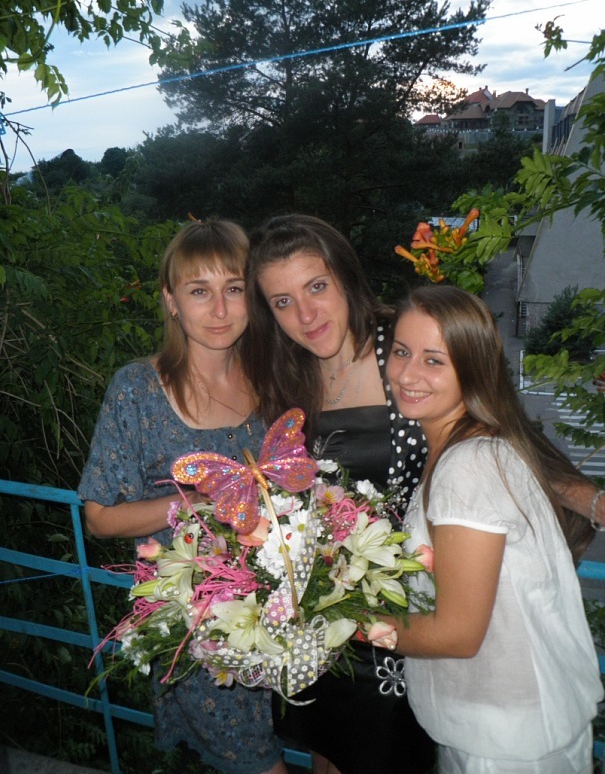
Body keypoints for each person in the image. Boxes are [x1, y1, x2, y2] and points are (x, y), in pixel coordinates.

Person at [78, 220, 287, 774]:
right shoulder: (138, 390)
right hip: (202, 627)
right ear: (171, 301)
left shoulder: (273, 380)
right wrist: (196, 502)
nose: (219, 309)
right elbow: (99, 517)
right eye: (199, 291)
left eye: (234, 288)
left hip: (285, 613)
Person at [377, 284, 603, 773]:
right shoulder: (473, 444)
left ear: (473, 368)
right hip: (495, 724)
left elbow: (457, 633)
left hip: (507, 741)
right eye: (401, 351)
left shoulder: (469, 466)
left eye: (434, 361)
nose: (408, 374)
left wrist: (341, 623)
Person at [244, 214, 436, 774]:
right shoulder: (285, 376)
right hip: (320, 610)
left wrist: (589, 499)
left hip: (407, 603)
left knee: (391, 755)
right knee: (327, 754)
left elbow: (490, 425)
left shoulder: (404, 347)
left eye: (317, 287)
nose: (305, 315)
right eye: (282, 302)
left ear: (345, 278)